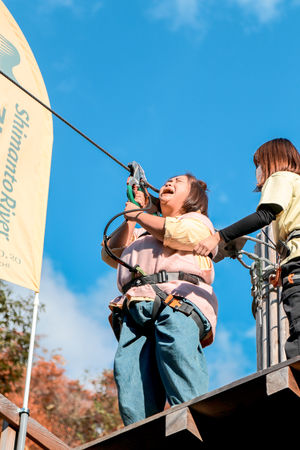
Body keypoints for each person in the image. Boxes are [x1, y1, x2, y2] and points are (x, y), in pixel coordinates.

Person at [101, 173, 218, 425]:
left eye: (177, 182)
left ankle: (195, 416)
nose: (169, 183)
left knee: (176, 351)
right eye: (167, 181)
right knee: (130, 370)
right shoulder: (143, 231)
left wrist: (141, 214)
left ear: (193, 196)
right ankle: (141, 429)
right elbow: (111, 254)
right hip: (136, 303)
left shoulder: (199, 222)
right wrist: (131, 220)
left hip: (179, 299)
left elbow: (182, 235)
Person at [194, 138, 300, 360]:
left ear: (272, 161)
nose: (258, 172)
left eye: (258, 165)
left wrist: (218, 236)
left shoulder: (281, 178)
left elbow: (265, 215)